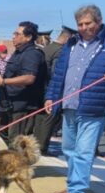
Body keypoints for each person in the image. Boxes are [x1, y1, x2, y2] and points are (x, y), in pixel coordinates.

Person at [44, 5, 105, 193]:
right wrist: (51, 97)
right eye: (80, 24)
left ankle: (78, 191)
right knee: (68, 149)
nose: (84, 28)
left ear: (99, 21)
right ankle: (71, 185)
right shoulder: (71, 43)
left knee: (84, 151)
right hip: (69, 104)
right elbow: (59, 74)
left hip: (95, 108)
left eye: (88, 23)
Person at [0, 21, 48, 145]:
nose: (13, 36)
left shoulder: (32, 54)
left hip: (24, 104)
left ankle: (18, 160)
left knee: (17, 138)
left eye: (17, 34)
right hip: (10, 101)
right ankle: (17, 157)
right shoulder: (18, 52)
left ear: (28, 37)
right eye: (14, 33)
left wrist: (3, 81)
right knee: (1, 129)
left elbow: (29, 78)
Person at [33, 25, 77, 155]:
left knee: (40, 118)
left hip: (42, 88)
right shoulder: (60, 51)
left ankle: (36, 145)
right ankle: (41, 147)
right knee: (49, 118)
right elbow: (56, 73)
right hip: (52, 90)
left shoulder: (48, 48)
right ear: (69, 38)